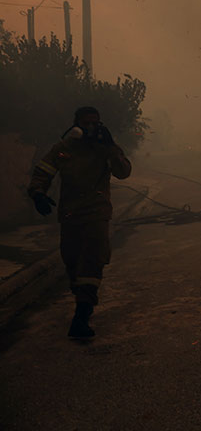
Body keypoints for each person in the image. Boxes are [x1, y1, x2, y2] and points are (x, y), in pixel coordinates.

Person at [27, 106, 132, 339]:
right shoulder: (65, 148)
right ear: (76, 125)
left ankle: (82, 315)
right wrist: (37, 193)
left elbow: (124, 172)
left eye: (95, 123)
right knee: (72, 260)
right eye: (86, 123)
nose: (91, 128)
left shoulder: (105, 148)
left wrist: (110, 148)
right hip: (70, 214)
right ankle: (81, 297)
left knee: (93, 259)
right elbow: (43, 171)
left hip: (96, 212)